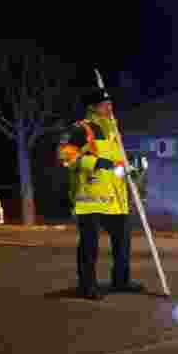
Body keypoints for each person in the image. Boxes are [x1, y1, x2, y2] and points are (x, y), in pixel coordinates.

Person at [57, 88, 144, 300]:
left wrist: (132, 170)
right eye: (105, 104)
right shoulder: (80, 129)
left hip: (116, 199)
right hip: (91, 198)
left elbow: (115, 167)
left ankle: (121, 281)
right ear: (93, 107)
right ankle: (87, 286)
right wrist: (95, 162)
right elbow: (66, 157)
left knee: (123, 243)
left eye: (111, 103)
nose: (110, 107)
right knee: (89, 244)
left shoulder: (113, 133)